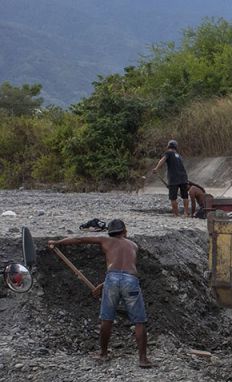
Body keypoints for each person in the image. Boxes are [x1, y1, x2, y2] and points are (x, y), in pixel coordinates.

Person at [48, 219, 156, 368]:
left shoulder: (105, 239)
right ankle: (143, 359)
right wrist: (102, 285)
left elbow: (79, 239)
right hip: (130, 280)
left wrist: (58, 242)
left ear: (110, 232)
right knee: (139, 321)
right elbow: (124, 272)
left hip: (112, 279)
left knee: (107, 318)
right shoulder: (133, 245)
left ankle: (103, 354)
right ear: (125, 231)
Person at [151, 139, 190, 217]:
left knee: (173, 197)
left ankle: (176, 214)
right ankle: (186, 213)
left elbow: (162, 160)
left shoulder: (168, 153)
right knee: (185, 196)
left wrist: (156, 168)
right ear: (176, 147)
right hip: (183, 177)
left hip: (174, 178)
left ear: (168, 146)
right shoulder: (179, 156)